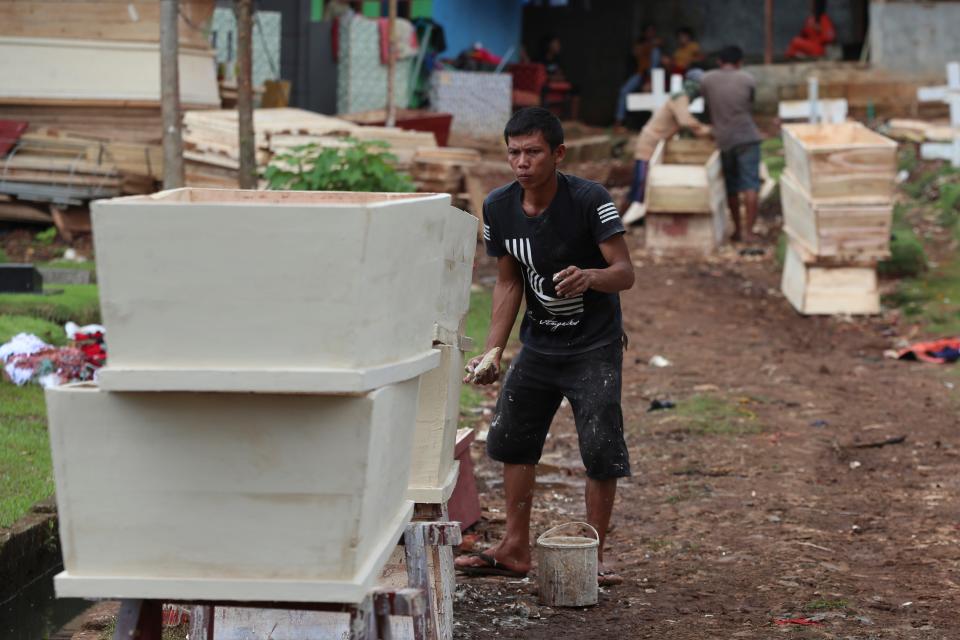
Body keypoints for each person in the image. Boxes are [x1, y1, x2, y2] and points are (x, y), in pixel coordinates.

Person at [454, 107, 635, 586]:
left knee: (600, 446)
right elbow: (509, 283)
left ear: (557, 153)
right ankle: (514, 547)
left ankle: (592, 554)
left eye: (533, 152)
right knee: (514, 438)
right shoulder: (498, 206)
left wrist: (592, 276)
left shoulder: (589, 199)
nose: (521, 162)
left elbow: (625, 272)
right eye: (513, 152)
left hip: (594, 345)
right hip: (539, 346)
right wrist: (494, 349)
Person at [623, 69, 712, 224]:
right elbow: (686, 121)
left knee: (641, 184)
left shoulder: (681, 98)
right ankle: (620, 222)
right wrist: (708, 130)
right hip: (649, 144)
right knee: (640, 186)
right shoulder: (680, 97)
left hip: (655, 144)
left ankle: (628, 219)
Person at [699, 45, 762, 243]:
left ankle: (736, 230)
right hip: (747, 138)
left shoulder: (706, 80)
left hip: (724, 139)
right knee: (751, 185)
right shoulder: (748, 79)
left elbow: (706, 105)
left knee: (732, 187)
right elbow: (750, 105)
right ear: (739, 62)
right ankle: (749, 233)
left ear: (719, 61)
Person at [614, 26, 663, 129]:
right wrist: (648, 46)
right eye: (648, 31)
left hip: (654, 78)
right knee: (624, 91)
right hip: (641, 75)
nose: (650, 34)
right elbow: (635, 52)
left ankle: (654, 126)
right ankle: (619, 122)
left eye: (652, 31)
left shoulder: (656, 48)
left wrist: (649, 81)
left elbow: (658, 47)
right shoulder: (640, 44)